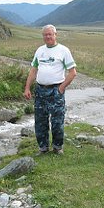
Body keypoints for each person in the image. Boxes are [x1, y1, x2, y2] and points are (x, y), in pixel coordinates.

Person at [24, 24, 77, 155]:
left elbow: (72, 72)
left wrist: (61, 88)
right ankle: (43, 148)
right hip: (40, 90)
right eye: (45, 34)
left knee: (57, 121)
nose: (48, 37)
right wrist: (27, 88)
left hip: (56, 90)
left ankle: (57, 147)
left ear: (55, 35)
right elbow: (33, 70)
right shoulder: (40, 50)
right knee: (40, 121)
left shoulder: (63, 50)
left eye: (50, 34)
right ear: (43, 36)